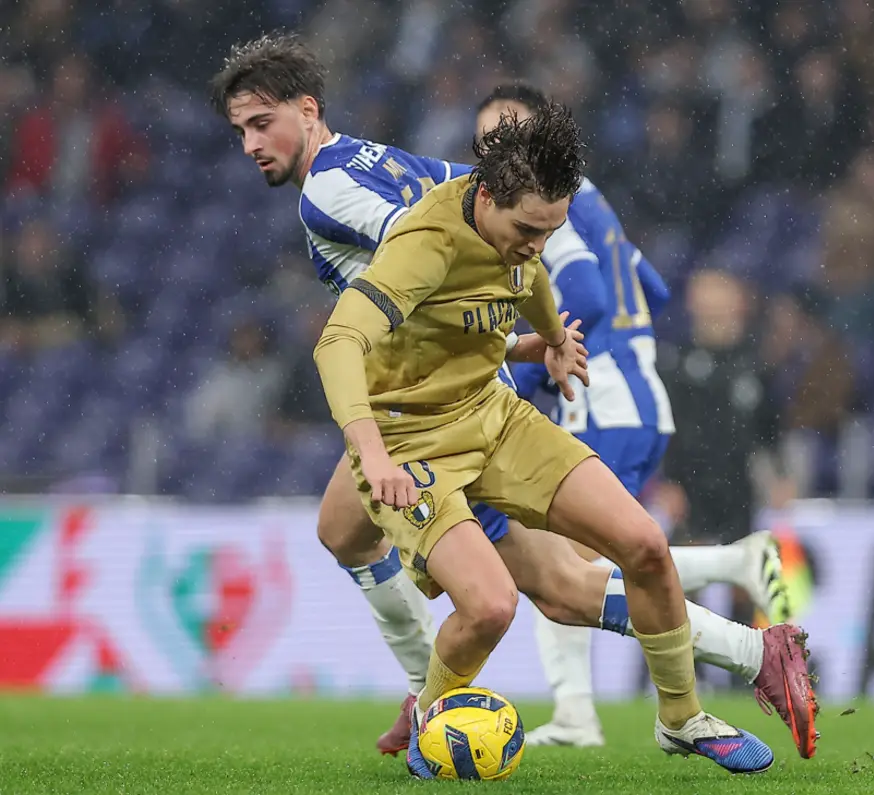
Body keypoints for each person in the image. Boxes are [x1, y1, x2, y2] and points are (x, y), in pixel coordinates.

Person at [210, 33, 817, 768]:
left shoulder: (339, 193)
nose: (249, 143)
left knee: (568, 579)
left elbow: (469, 266)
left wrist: (546, 337)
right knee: (348, 531)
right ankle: (429, 693)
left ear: (307, 110)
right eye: (239, 129)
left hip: (460, 403)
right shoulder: (382, 163)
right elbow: (455, 265)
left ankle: (715, 678)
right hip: (418, 409)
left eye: (259, 122)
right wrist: (518, 346)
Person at [475, 83, 800, 749]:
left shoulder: (549, 196)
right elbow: (645, 282)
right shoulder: (592, 201)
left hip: (601, 397)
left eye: (506, 131)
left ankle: (582, 712)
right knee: (590, 561)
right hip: (638, 392)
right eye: (485, 136)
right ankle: (731, 573)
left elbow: (589, 299)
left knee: (564, 568)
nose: (493, 147)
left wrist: (529, 368)